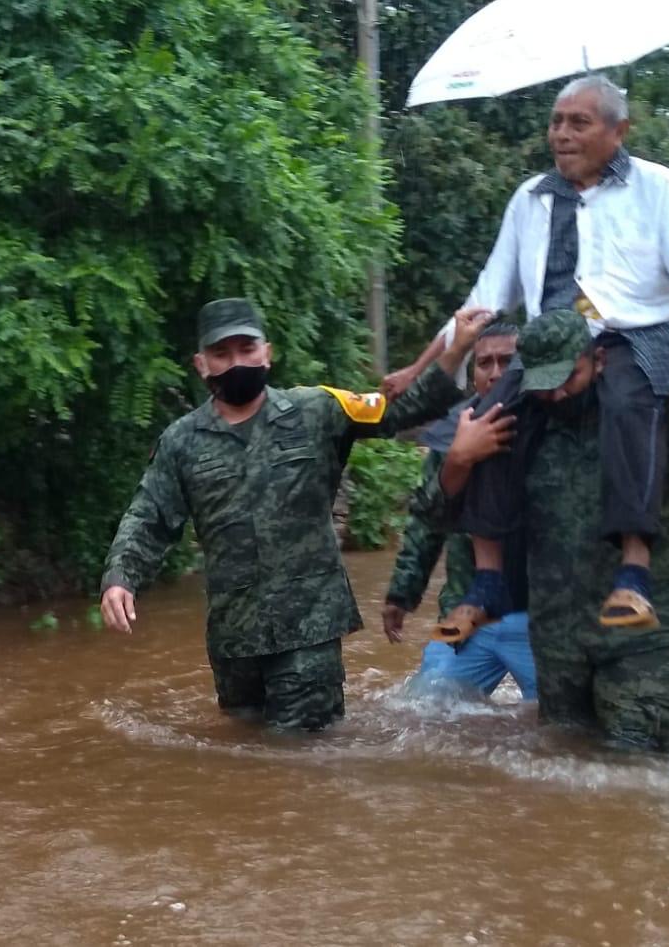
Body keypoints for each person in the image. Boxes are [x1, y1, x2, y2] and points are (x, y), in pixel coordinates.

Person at [385, 74, 669, 638]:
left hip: (633, 335)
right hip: (548, 344)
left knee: (631, 399)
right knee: (483, 421)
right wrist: (422, 364)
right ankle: (486, 582)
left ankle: (633, 569)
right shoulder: (530, 198)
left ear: (618, 130)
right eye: (556, 121)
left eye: (579, 122)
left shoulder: (658, 187)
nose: (561, 133)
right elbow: (485, 297)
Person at [99, 298, 491, 731]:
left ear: (267, 352)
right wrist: (121, 577)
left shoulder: (318, 409)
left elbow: (402, 409)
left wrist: (456, 350)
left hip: (310, 626)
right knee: (242, 750)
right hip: (235, 636)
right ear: (201, 364)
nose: (236, 363)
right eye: (221, 354)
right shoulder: (181, 442)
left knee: (300, 755)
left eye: (246, 349)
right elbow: (149, 514)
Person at [442, 308, 669, 753]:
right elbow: (444, 510)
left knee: (635, 769)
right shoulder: (518, 423)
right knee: (563, 770)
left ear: (599, 360)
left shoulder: (655, 411)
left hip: (642, 639)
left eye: (570, 377)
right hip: (556, 641)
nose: (557, 394)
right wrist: (458, 458)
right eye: (545, 385)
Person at [381, 320, 537, 699]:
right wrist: (402, 593)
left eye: (507, 361)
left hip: (541, 617)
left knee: (563, 731)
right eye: (485, 363)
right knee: (423, 712)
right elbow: (427, 523)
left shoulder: (549, 429)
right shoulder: (451, 434)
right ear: (473, 374)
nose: (496, 373)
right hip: (466, 611)